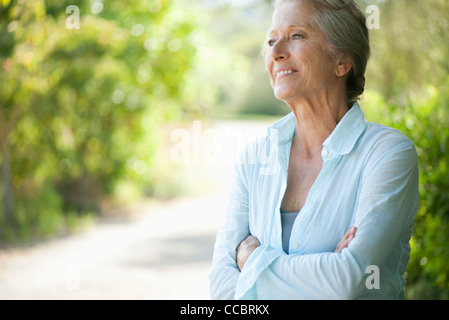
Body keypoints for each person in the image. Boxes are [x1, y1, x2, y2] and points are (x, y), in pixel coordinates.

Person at [209, 0, 419, 300]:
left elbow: (347, 280)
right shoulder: (254, 156)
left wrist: (250, 260)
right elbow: (221, 289)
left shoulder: (388, 154)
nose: (276, 51)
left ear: (342, 61)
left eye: (296, 35)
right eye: (271, 40)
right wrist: (321, 273)